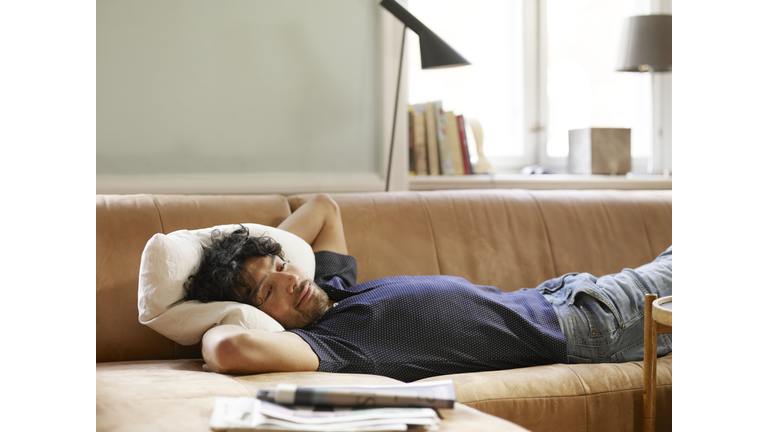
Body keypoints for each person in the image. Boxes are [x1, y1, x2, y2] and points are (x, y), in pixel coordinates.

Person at [186, 194, 672, 381]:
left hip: (567, 296)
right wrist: (222, 311)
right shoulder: (334, 341)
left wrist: (247, 252)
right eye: (269, 291)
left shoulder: (334, 290)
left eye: (282, 265)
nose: (290, 280)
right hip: (590, 323)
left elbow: (323, 207)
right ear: (262, 317)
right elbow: (231, 348)